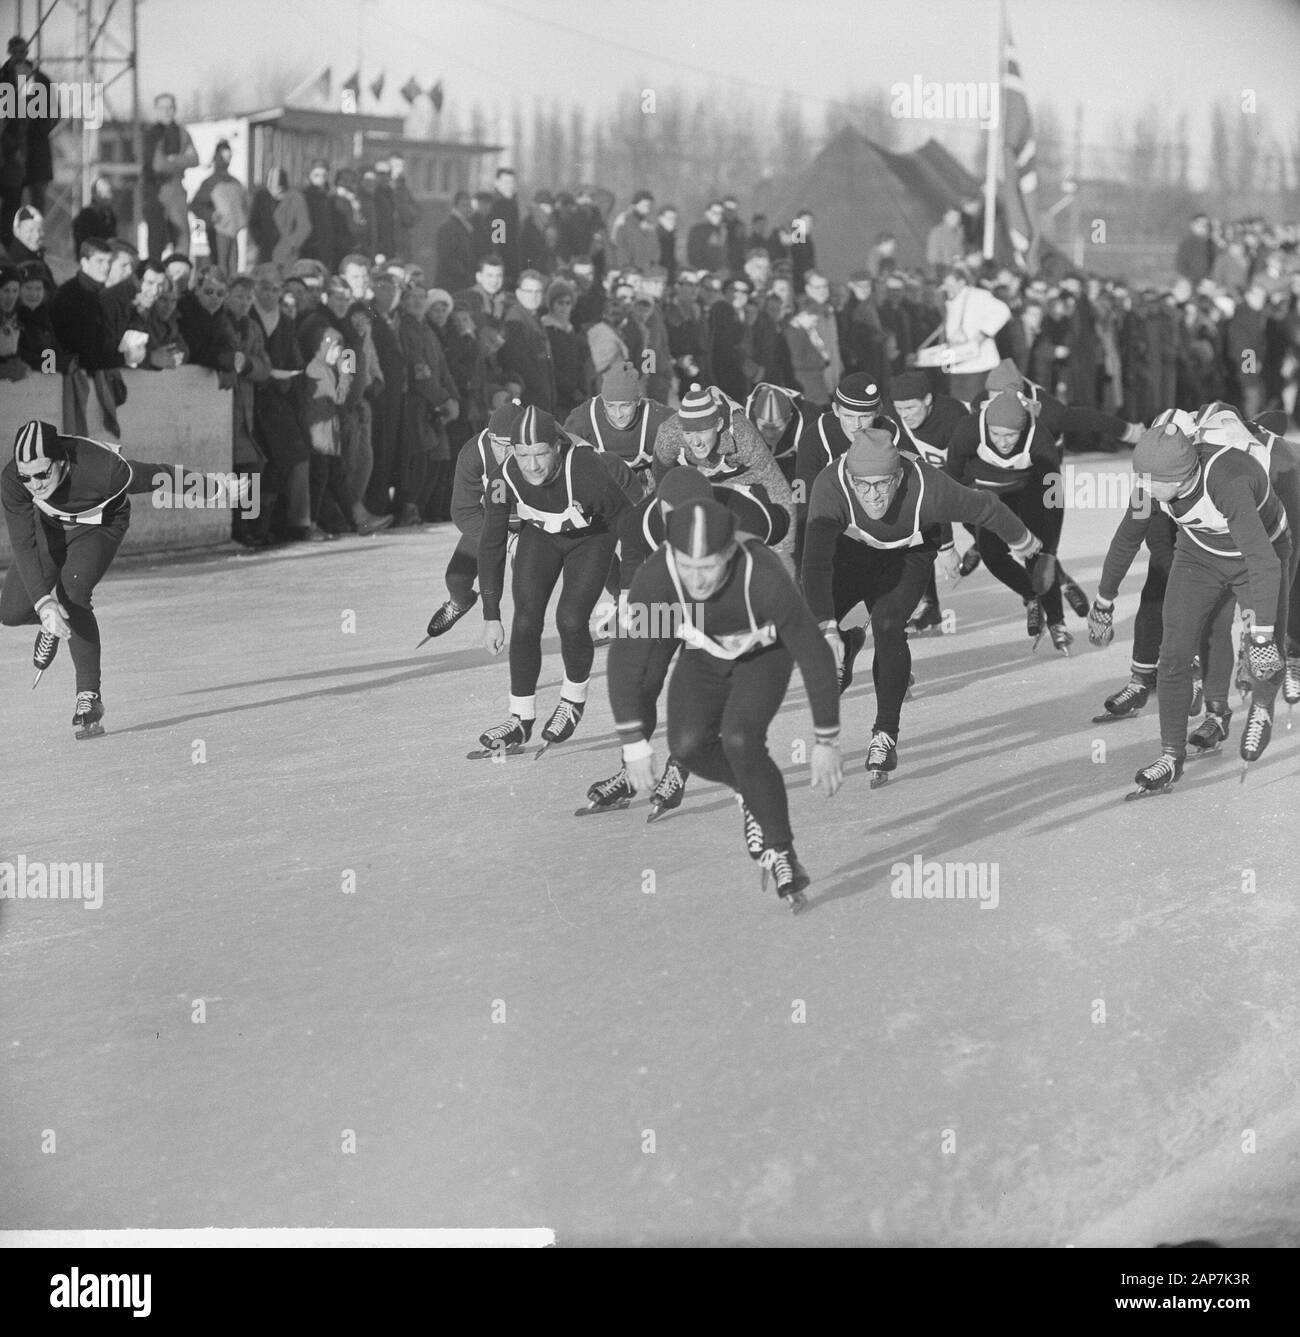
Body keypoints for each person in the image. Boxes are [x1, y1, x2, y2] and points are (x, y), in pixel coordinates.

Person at [606, 496, 843, 910]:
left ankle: (782, 852)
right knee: (687, 747)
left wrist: (825, 739)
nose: (697, 581)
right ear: (671, 554)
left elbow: (813, 652)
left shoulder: (763, 575)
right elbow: (628, 655)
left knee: (739, 739)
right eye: (688, 567)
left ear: (730, 552)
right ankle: (744, 786)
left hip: (763, 656)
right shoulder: (659, 575)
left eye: (709, 567)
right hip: (703, 654)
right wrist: (633, 742)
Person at [804, 425, 1054, 786]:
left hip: (908, 555)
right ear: (849, 478)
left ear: (898, 475)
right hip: (852, 555)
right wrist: (827, 628)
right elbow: (814, 565)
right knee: (813, 627)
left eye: (883, 484)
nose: (873, 496)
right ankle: (849, 640)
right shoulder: (830, 485)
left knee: (889, 626)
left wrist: (1024, 540)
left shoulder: (927, 486)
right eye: (864, 485)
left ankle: (885, 735)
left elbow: (986, 506)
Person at [1090, 412, 1292, 794]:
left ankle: (1262, 708)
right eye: (1140, 479)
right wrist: (1104, 598)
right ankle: (1171, 755)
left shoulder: (1227, 479)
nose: (1144, 488)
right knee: (1174, 653)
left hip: (1260, 553)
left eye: (1151, 482)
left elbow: (1263, 562)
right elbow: (1126, 539)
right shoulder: (1154, 483)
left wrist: (1263, 633)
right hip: (1199, 555)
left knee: (1263, 649)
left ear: (1181, 477)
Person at [583, 465, 792, 821]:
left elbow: (780, 521)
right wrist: (628, 602)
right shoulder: (639, 522)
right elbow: (633, 554)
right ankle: (632, 770)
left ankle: (679, 767)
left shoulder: (744, 519)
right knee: (644, 679)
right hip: (667, 598)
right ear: (662, 510)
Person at [2, 421, 203, 735]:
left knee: (73, 593)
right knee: (13, 611)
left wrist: (216, 488)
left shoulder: (104, 470)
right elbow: (23, 543)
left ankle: (88, 696)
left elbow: (159, 474)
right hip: (52, 528)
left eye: (42, 474)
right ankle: (54, 619)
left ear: (61, 461)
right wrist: (43, 604)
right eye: (26, 477)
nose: (35, 484)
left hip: (100, 525)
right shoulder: (12, 481)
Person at [474, 406, 633, 756]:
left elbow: (630, 524)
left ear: (556, 448)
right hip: (543, 534)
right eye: (522, 454)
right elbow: (491, 542)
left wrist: (629, 588)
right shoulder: (504, 478)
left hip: (592, 536)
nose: (531, 465)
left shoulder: (586, 469)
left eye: (541, 453)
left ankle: (572, 700)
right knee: (526, 619)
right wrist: (490, 615)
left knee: (571, 618)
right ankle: (520, 717)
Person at [945, 388, 1078, 652]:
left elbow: (1054, 501)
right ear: (985, 426)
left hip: (1028, 489)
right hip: (989, 492)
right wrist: (950, 541)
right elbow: (951, 484)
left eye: (1010, 435)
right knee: (992, 553)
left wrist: (1051, 552)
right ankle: (1031, 596)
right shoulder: (969, 429)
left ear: (1023, 429)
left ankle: (1057, 622)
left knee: (1036, 555)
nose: (1003, 442)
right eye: (996, 434)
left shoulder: (1039, 439)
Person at [652, 382, 795, 567]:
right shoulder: (669, 433)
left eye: (702, 431)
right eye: (688, 433)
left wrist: (785, 553)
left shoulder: (741, 433)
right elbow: (662, 485)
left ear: (718, 425)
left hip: (740, 483)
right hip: (695, 484)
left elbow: (777, 486)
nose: (695, 442)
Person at [421, 400, 522, 642]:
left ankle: (526, 630)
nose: (509, 454)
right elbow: (464, 512)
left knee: (525, 581)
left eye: (515, 447)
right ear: (490, 438)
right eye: (502, 446)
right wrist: (505, 540)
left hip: (532, 521)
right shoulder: (473, 453)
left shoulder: (539, 444)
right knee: (456, 578)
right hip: (491, 521)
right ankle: (460, 602)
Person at [939, 264, 1012, 404]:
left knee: (973, 409)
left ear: (961, 282)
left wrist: (982, 334)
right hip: (954, 366)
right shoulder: (947, 300)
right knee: (957, 408)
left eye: (950, 284)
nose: (946, 288)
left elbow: (1003, 311)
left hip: (977, 366)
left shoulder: (978, 295)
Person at [141, 94, 198, 260]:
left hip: (177, 190)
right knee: (156, 241)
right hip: (155, 192)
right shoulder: (151, 134)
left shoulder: (182, 133)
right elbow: (157, 165)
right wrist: (180, 162)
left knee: (182, 239)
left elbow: (194, 159)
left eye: (170, 107)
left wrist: (173, 160)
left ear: (175, 109)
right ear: (156, 110)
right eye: (162, 108)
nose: (167, 111)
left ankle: (180, 278)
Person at [189, 139, 248, 277]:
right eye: (223, 156)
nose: (226, 160)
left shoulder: (236, 183)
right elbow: (195, 205)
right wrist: (211, 216)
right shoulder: (210, 183)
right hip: (216, 232)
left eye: (229, 156)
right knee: (219, 268)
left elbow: (244, 205)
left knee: (233, 268)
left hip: (234, 232)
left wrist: (242, 220)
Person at [435, 191, 477, 294]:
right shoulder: (450, 227)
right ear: (455, 207)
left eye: (469, 205)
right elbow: (448, 257)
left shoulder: (464, 226)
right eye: (464, 205)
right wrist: (466, 277)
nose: (468, 209)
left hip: (458, 283)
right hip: (452, 284)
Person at [72, 175, 119, 253]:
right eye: (105, 193)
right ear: (95, 195)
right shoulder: (86, 215)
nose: (109, 197)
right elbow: (84, 241)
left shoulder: (109, 214)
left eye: (109, 192)